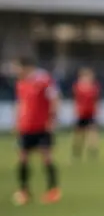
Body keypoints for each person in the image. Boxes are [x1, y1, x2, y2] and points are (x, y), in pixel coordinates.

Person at [11, 56, 61, 205]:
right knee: (23, 158)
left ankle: (53, 190)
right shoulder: (21, 83)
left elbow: (55, 99)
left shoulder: (44, 80)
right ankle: (24, 191)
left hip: (41, 126)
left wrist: (52, 119)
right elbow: (20, 103)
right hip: (26, 127)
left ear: (27, 67)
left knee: (46, 157)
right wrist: (17, 121)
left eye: (18, 67)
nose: (16, 71)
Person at [72, 66, 101, 161]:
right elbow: (76, 99)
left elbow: (96, 99)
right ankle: (77, 150)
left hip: (91, 113)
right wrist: (75, 110)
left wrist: (97, 109)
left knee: (92, 132)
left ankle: (92, 150)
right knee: (80, 133)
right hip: (81, 113)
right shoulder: (78, 86)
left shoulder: (94, 87)